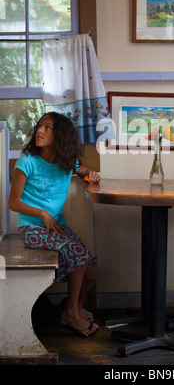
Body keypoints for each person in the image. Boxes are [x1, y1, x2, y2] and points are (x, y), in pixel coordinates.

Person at [8, 112, 101, 338]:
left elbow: (85, 174)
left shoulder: (67, 163)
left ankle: (74, 309)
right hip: (32, 228)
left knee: (92, 268)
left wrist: (92, 176)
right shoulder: (27, 162)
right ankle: (71, 313)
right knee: (79, 258)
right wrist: (42, 213)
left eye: (48, 128)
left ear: (61, 136)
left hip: (57, 227)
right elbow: (13, 202)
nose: (40, 131)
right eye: (40, 126)